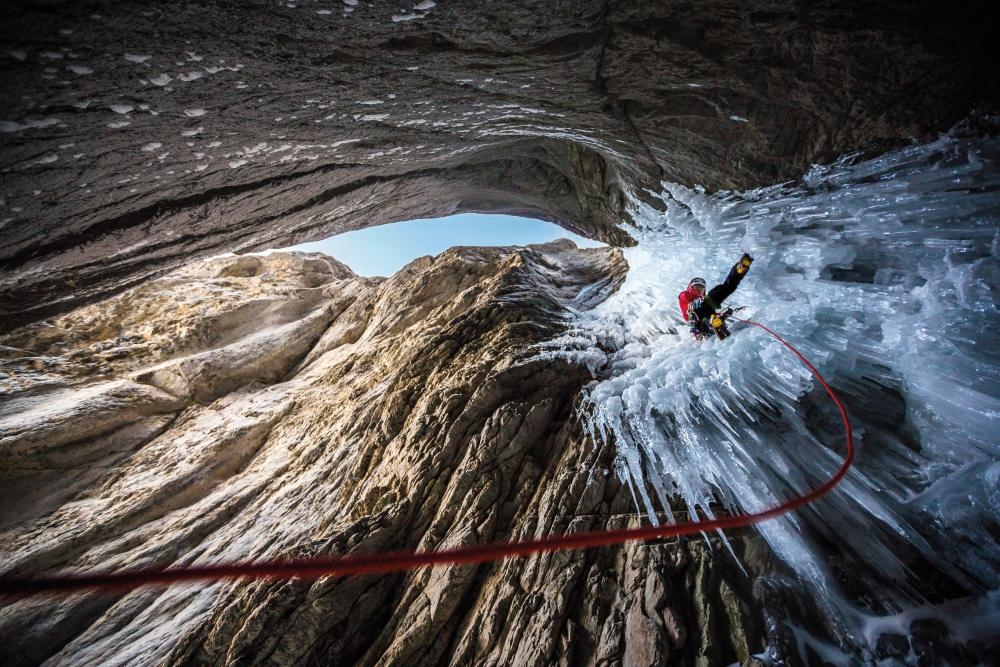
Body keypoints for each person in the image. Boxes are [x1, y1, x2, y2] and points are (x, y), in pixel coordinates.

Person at [678, 253, 753, 339]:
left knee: (727, 287)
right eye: (696, 287)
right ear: (690, 288)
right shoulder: (685, 295)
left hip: (706, 306)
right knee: (700, 313)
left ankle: (739, 268)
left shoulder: (703, 298)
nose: (699, 290)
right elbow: (683, 296)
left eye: (701, 288)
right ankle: (713, 322)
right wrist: (692, 302)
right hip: (697, 318)